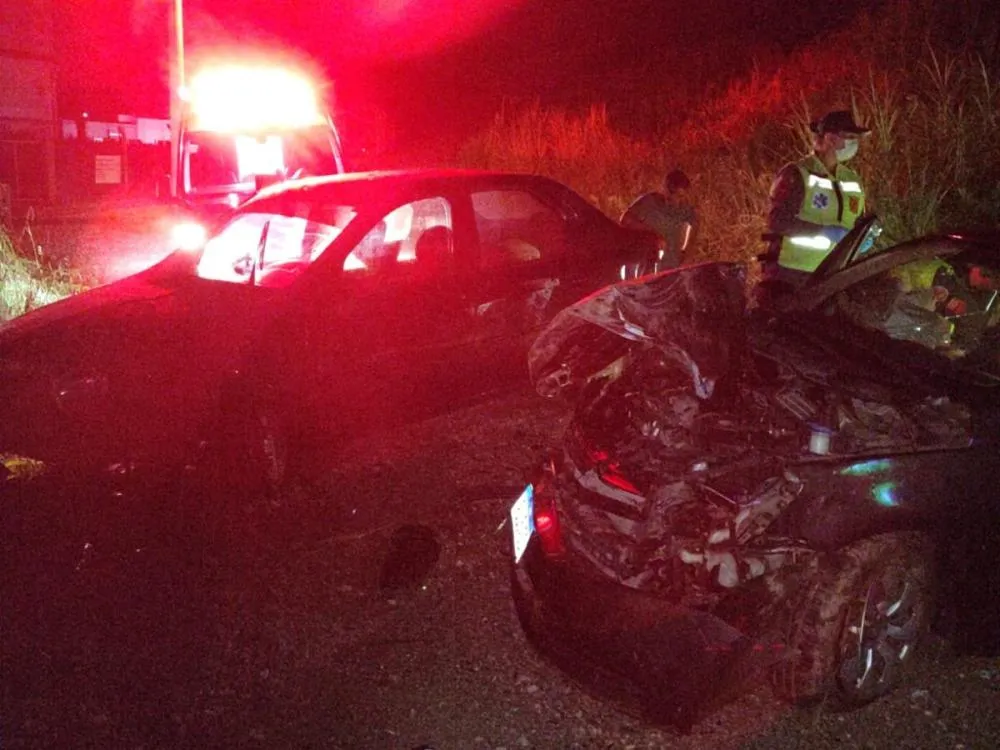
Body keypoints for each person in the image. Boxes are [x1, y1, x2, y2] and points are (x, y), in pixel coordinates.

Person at [761, 110, 870, 288]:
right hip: (790, 274)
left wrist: (863, 239)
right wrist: (823, 231)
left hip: (834, 275)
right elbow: (777, 221)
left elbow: (857, 222)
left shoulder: (852, 180)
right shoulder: (797, 174)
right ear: (830, 139)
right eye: (849, 136)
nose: (854, 143)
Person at [620, 168, 697, 269]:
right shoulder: (649, 201)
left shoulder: (685, 208)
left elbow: (695, 223)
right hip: (646, 267)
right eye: (675, 195)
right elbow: (625, 219)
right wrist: (651, 233)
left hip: (671, 267)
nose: (678, 200)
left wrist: (685, 251)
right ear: (666, 189)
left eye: (682, 196)